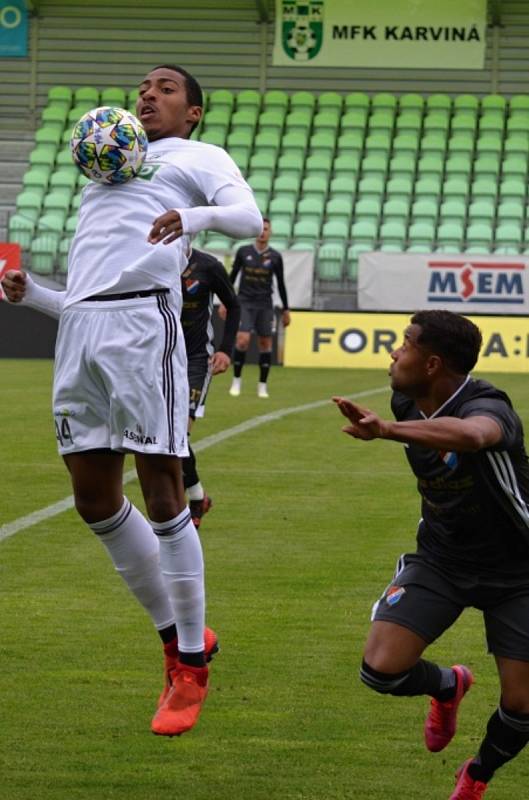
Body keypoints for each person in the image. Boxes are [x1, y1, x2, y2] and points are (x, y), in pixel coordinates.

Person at [3, 64, 262, 738]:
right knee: (93, 498)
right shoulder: (107, 171)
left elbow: (248, 217)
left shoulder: (197, 157)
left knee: (162, 487)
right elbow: (89, 294)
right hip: (83, 331)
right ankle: (181, 636)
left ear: (194, 113)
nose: (149, 94)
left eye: (167, 88)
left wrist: (194, 215)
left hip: (146, 326)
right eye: (144, 86)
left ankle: (188, 667)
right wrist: (32, 293)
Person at [333, 309, 529, 799]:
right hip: (442, 557)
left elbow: (473, 436)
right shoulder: (406, 398)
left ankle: (477, 774)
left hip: (519, 570)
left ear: (433, 363)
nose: (395, 351)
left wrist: (387, 433)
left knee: (522, 704)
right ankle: (448, 685)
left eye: (405, 343)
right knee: (379, 670)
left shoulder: (488, 404)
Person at [179, 247, 240, 528]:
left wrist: (226, 350)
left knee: (177, 435)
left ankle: (189, 503)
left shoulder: (208, 265)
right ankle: (197, 496)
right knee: (163, 439)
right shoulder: (152, 261)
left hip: (195, 360)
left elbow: (233, 304)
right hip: (159, 360)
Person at [219, 217, 290, 399]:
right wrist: (225, 302)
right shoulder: (243, 252)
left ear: (270, 232)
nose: (263, 232)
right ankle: (236, 380)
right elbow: (232, 277)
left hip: (265, 304)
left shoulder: (275, 256)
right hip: (245, 302)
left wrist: (286, 309)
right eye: (261, 228)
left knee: (265, 343)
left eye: (266, 229)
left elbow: (280, 284)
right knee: (242, 340)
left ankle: (262, 385)